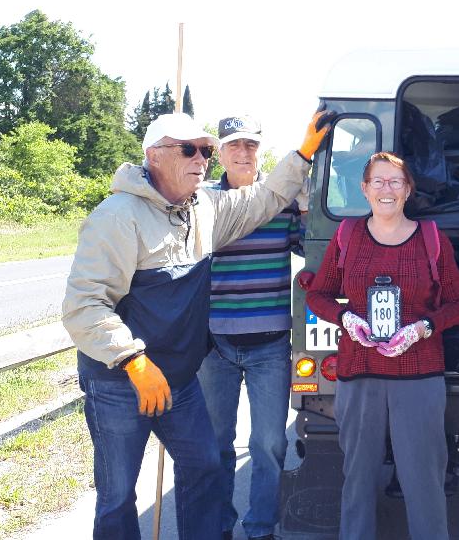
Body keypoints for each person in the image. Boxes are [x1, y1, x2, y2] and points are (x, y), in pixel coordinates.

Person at [62, 110, 333, 540]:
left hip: (180, 378)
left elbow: (262, 200)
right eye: (189, 149)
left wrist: (301, 155)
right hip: (121, 381)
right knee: (117, 494)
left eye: (204, 150)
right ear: (153, 156)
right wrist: (132, 360)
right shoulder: (117, 217)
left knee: (205, 467)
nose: (201, 159)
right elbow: (83, 306)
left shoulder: (202, 209)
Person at [305, 152, 459, 540]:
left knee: (424, 480)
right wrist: (347, 318)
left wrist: (423, 328)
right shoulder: (347, 236)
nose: (386, 189)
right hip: (358, 373)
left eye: (395, 181)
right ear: (363, 189)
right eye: (377, 181)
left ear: (408, 190)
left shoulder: (431, 239)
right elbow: (319, 295)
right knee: (357, 479)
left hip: (419, 376)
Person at [197, 115, 310, 540]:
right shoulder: (203, 202)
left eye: (250, 146)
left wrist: (303, 206)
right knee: (216, 447)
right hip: (216, 346)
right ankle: (219, 526)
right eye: (234, 146)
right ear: (220, 153)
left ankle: (261, 527)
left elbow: (309, 245)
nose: (243, 153)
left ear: (260, 151)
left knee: (268, 445)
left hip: (271, 345)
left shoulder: (279, 197)